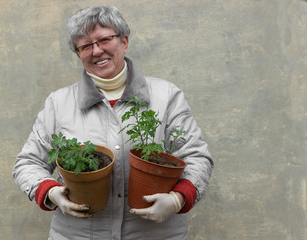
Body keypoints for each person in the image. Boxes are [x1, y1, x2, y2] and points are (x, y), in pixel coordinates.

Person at [13, 6, 213, 240]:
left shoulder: (166, 96)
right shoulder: (58, 103)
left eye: (104, 40)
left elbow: (197, 157)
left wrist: (178, 199)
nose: (96, 51)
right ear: (78, 54)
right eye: (86, 46)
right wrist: (52, 192)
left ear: (124, 41)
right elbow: (27, 163)